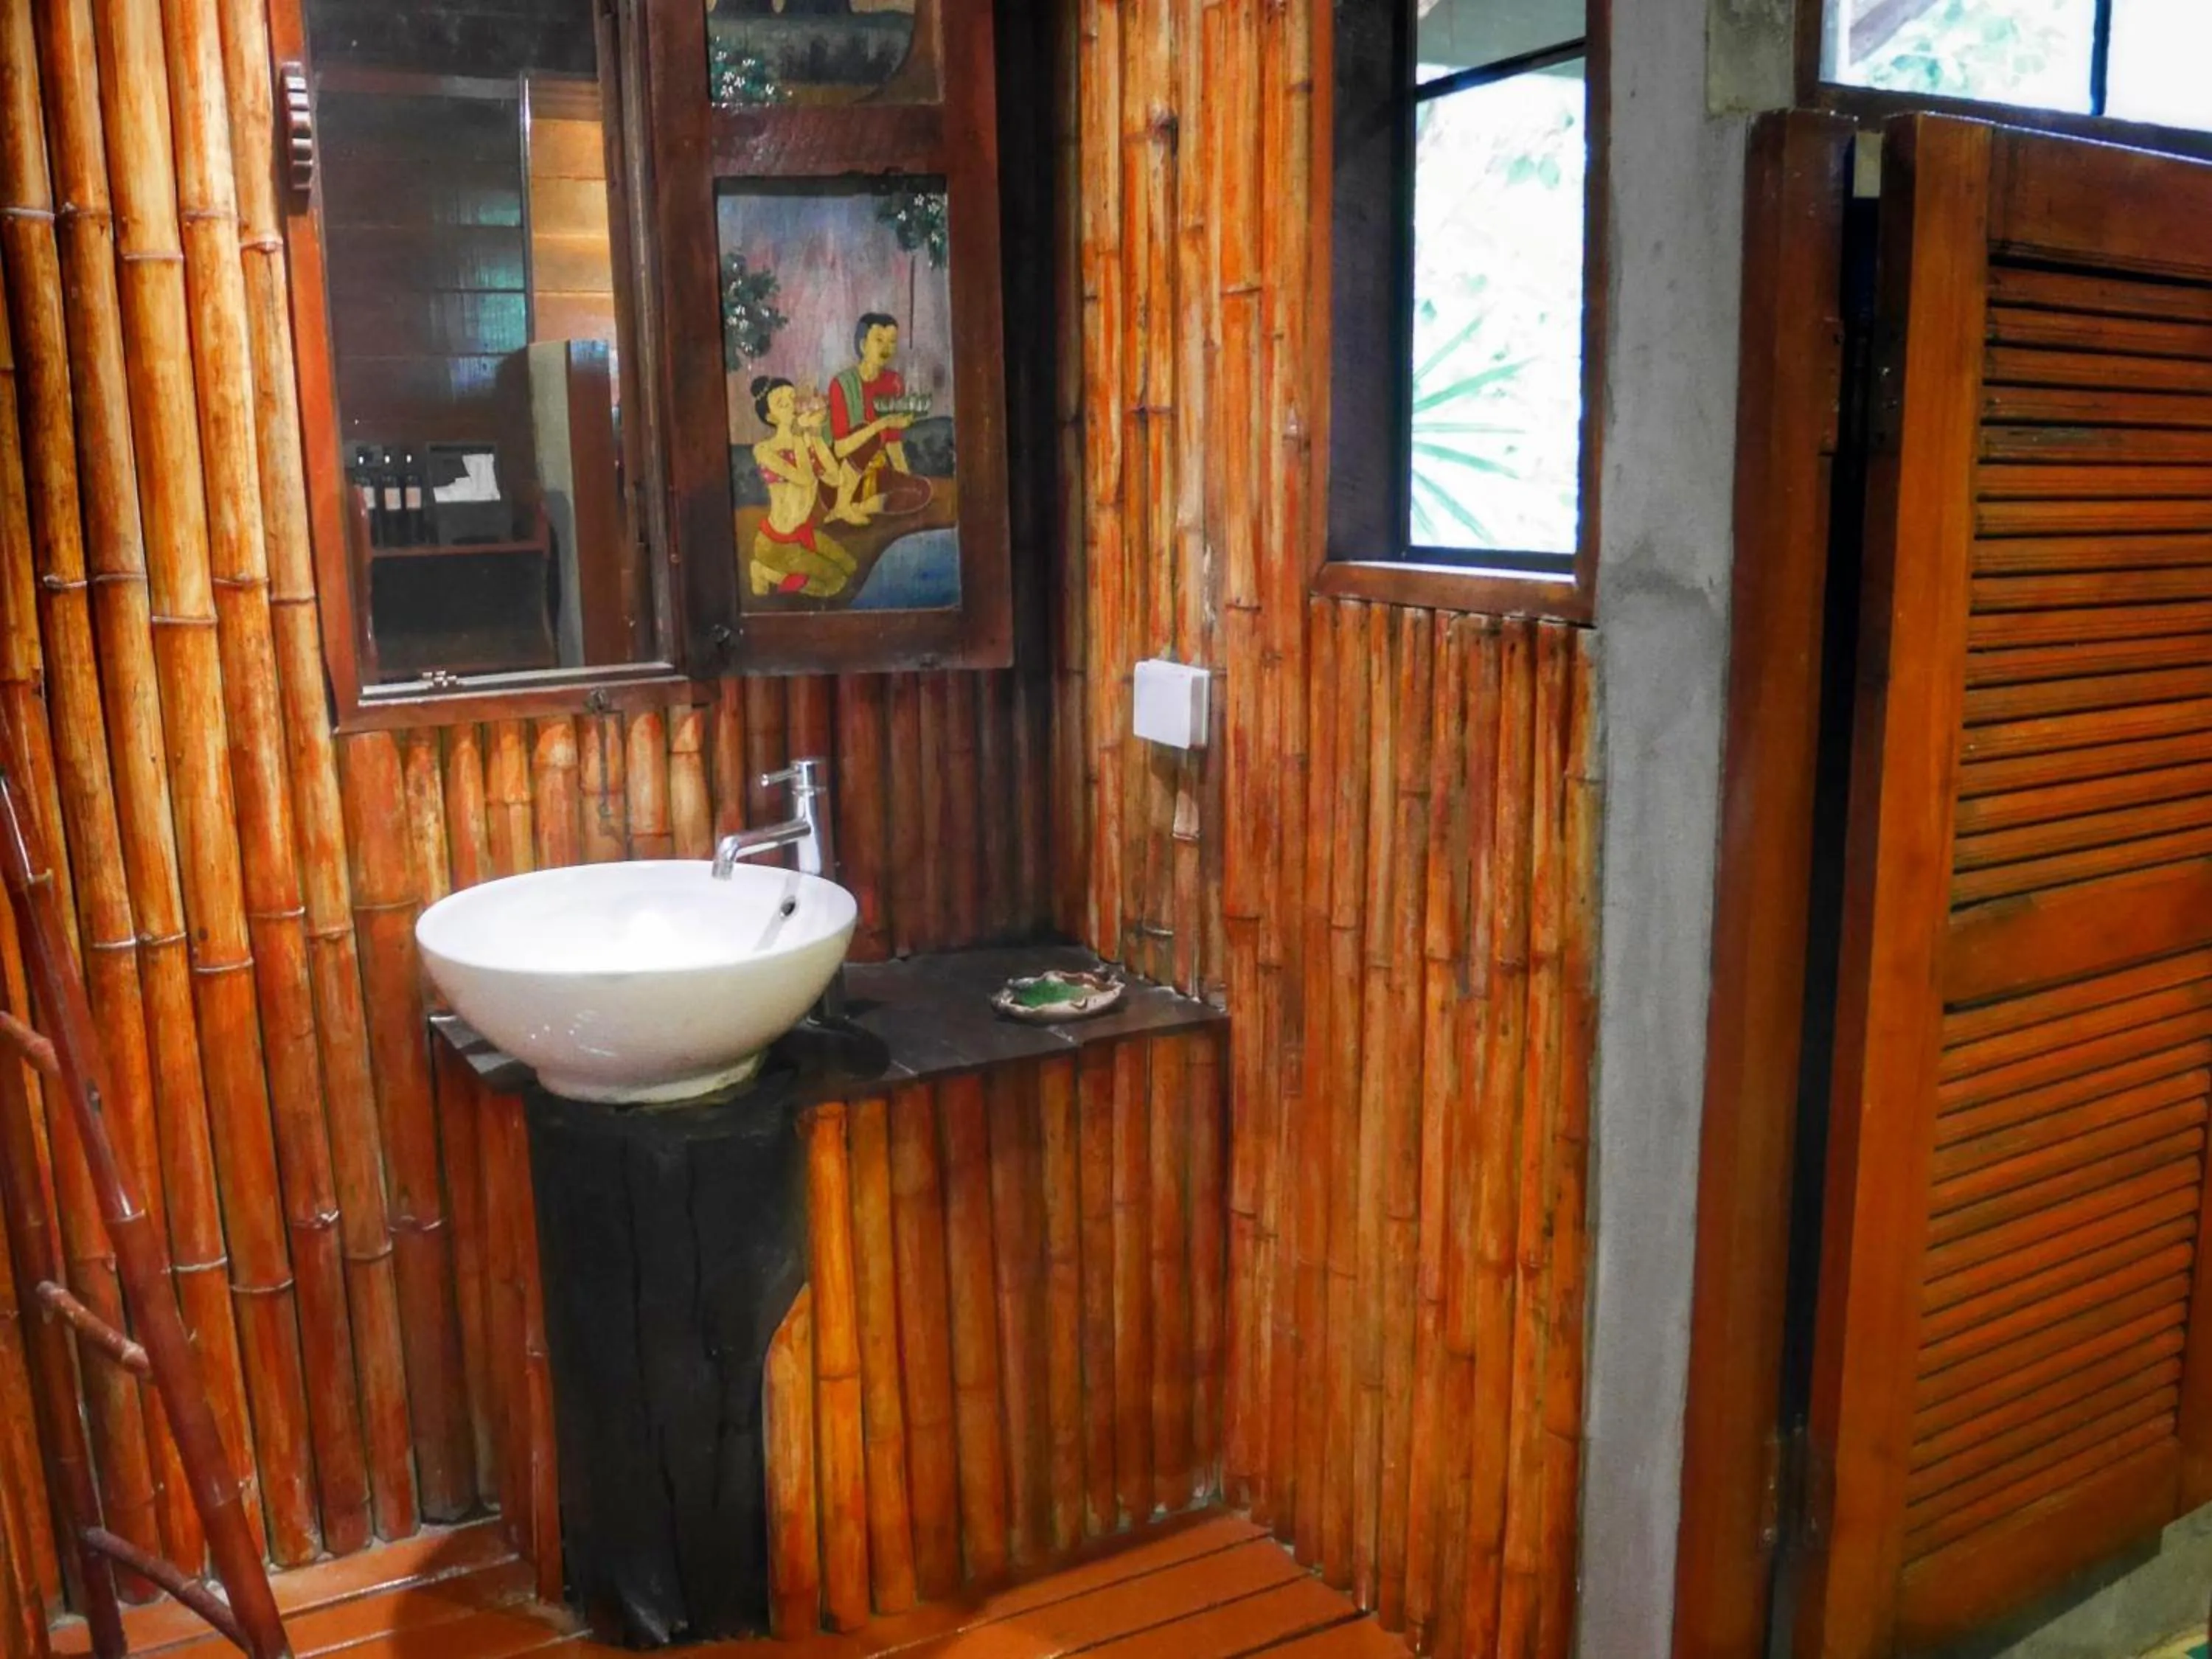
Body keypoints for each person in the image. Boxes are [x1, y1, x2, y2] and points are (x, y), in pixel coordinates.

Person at [747, 376, 863, 599]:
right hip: (775, 543)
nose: (791, 405)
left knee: (850, 565)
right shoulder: (764, 450)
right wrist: (800, 434)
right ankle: (767, 572)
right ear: (771, 417)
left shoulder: (805, 439)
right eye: (782, 403)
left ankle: (778, 571)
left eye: (792, 397)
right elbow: (805, 479)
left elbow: (835, 478)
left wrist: (816, 435)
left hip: (803, 532)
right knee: (834, 583)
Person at [828, 312, 933, 515]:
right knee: (869, 434)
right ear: (862, 344)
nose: (887, 348)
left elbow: (893, 442)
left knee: (922, 490)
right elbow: (840, 449)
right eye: (879, 340)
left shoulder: (893, 382)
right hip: (841, 482)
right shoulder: (842, 384)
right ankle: (844, 505)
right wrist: (882, 424)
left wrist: (905, 478)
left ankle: (861, 508)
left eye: (892, 341)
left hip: (877, 475)